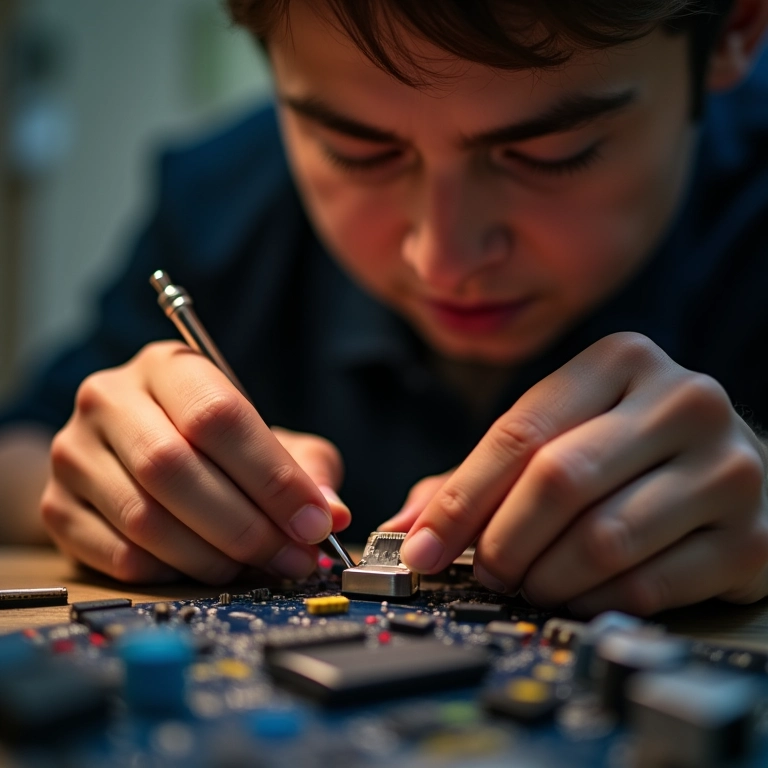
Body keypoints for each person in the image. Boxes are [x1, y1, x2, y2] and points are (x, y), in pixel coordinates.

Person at [1, 0, 768, 618]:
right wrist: (103, 480)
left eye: (550, 153)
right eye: (356, 152)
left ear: (734, 29)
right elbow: (21, 452)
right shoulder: (220, 203)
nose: (442, 259)